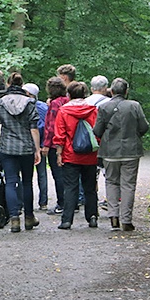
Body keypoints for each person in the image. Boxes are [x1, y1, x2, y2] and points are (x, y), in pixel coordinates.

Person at [0, 73, 41, 232]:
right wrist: (37, 149)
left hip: (7, 148)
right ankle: (29, 217)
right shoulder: (30, 103)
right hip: (26, 148)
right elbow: (34, 128)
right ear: (22, 85)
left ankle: (15, 218)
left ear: (8, 84)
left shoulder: (0, 103)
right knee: (27, 182)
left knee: (11, 181)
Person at [93, 78, 150, 231]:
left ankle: (113, 217)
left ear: (111, 91)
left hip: (109, 151)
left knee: (111, 182)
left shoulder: (104, 107)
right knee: (128, 185)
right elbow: (144, 126)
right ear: (126, 91)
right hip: (131, 151)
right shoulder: (135, 106)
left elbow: (97, 131)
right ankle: (126, 220)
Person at [53, 82, 99, 230]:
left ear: (69, 94)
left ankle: (67, 220)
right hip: (90, 155)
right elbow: (98, 131)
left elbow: (59, 135)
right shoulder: (93, 110)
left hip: (70, 154)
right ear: (85, 94)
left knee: (70, 187)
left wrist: (59, 154)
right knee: (90, 187)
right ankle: (92, 217)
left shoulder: (64, 111)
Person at [41, 76, 69, 215]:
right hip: (68, 143)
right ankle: (71, 202)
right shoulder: (68, 101)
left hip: (55, 144)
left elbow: (51, 126)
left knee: (57, 175)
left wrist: (46, 144)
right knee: (68, 174)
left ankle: (61, 203)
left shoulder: (54, 104)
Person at [23, 83, 49, 211]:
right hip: (41, 144)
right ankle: (43, 202)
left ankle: (24, 202)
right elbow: (46, 127)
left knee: (26, 175)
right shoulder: (44, 107)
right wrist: (44, 144)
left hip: (26, 144)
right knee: (42, 173)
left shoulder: (22, 106)